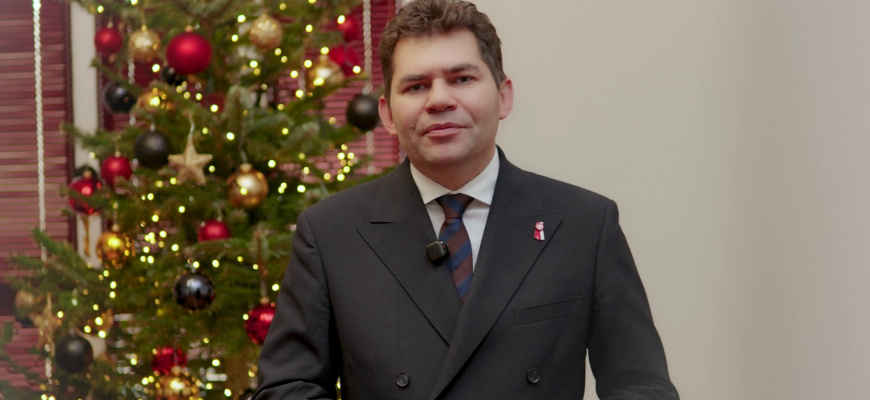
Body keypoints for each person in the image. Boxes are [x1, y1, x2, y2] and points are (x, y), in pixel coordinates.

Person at [254, 0, 679, 398]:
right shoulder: (330, 233)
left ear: (503, 96)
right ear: (387, 113)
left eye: (462, 79)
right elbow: (286, 388)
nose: (439, 100)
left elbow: (642, 386)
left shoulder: (584, 224)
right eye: (416, 86)